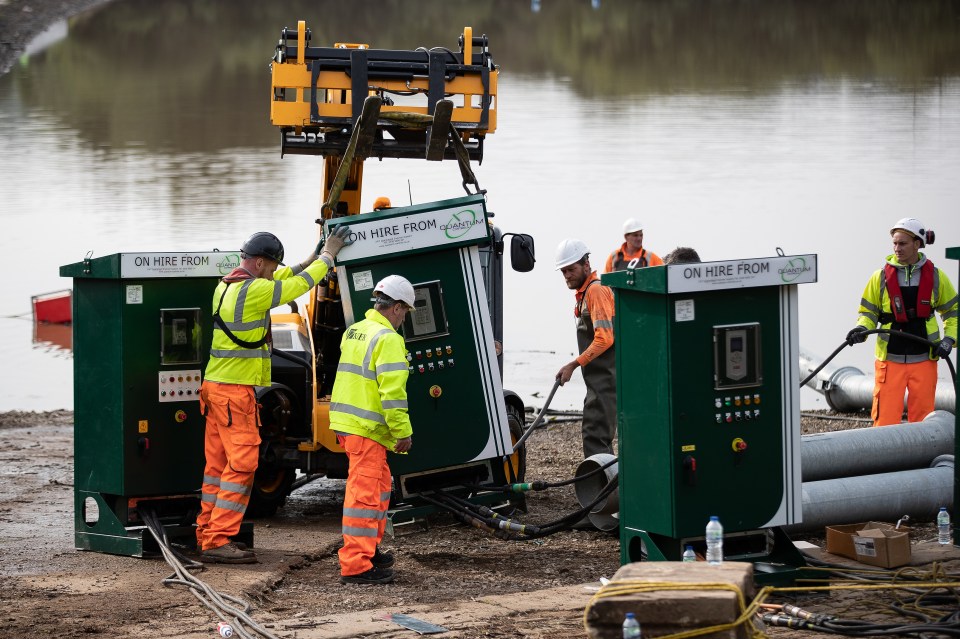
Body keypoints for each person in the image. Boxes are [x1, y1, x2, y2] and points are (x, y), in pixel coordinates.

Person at [195, 225, 351, 564]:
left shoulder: (225, 286)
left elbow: (281, 280)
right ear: (263, 263)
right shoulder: (256, 292)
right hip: (235, 395)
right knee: (243, 464)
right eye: (272, 266)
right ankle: (219, 540)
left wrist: (308, 259)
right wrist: (328, 256)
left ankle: (207, 532)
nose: (273, 271)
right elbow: (298, 286)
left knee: (216, 467)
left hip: (214, 390)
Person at [331, 275, 416, 585]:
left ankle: (368, 549)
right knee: (365, 494)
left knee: (379, 487)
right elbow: (393, 394)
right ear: (394, 308)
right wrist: (402, 432)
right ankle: (355, 565)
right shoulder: (388, 339)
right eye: (405, 311)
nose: (404, 317)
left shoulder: (355, 330)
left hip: (350, 424)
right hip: (365, 428)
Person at [846, 218, 957, 426]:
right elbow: (868, 313)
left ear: (917, 244)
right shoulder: (879, 277)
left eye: (903, 243)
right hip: (889, 360)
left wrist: (949, 340)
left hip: (925, 359)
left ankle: (922, 459)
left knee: (924, 422)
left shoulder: (936, 277)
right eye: (894, 243)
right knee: (884, 421)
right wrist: (861, 328)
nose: (897, 248)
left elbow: (953, 313)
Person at [555, 239, 617, 458]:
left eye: (571, 269)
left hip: (607, 380)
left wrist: (573, 364)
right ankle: (607, 485)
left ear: (586, 264)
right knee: (595, 432)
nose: (567, 276)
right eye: (563, 271)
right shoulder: (585, 294)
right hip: (599, 380)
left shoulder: (596, 291)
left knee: (595, 435)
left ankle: (602, 489)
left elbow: (605, 339)